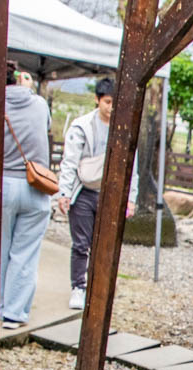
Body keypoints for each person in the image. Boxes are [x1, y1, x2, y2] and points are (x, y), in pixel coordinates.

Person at [56, 76, 136, 311]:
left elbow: (133, 165)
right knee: (81, 243)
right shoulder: (82, 126)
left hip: (110, 192)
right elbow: (69, 161)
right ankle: (79, 286)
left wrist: (130, 197)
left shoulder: (124, 127)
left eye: (115, 103)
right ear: (98, 100)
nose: (111, 108)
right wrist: (65, 192)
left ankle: (98, 286)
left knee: (105, 243)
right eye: (108, 102)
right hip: (84, 190)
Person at [0, 60, 52, 328]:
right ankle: (14, 313)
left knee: (0, 249)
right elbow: (46, 129)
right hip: (36, 186)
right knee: (25, 253)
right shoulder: (39, 104)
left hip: (2, 184)